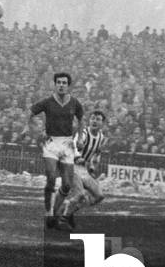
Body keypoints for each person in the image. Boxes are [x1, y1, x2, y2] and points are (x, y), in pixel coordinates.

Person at [30, 72, 85, 229]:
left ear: (68, 86)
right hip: (52, 142)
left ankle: (54, 213)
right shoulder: (47, 102)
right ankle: (48, 213)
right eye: (59, 82)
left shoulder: (74, 103)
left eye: (64, 83)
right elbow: (31, 113)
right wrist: (36, 132)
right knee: (51, 177)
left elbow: (81, 120)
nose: (61, 85)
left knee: (67, 185)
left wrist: (80, 138)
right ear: (55, 84)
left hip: (67, 143)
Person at [56, 110, 109, 229]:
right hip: (72, 165)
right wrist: (78, 156)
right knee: (79, 193)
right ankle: (62, 220)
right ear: (89, 120)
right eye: (93, 118)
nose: (94, 121)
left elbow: (97, 153)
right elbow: (73, 145)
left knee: (99, 196)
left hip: (83, 170)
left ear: (102, 123)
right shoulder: (84, 133)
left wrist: (92, 166)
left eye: (98, 119)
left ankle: (68, 210)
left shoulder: (101, 137)